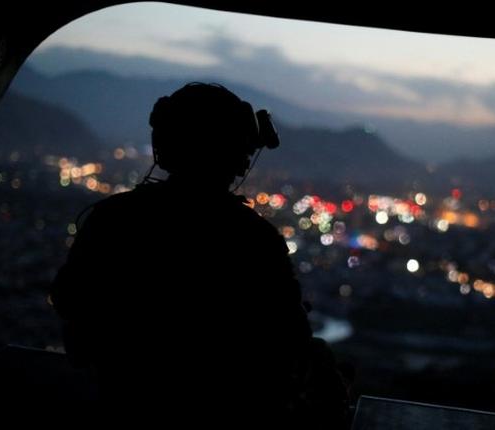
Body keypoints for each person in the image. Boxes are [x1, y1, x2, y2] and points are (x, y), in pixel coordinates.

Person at [50, 83, 348, 426]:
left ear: (163, 147)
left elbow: (71, 303)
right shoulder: (251, 238)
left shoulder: (111, 219)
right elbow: (290, 340)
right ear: (238, 156)